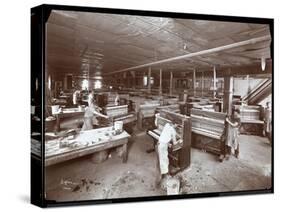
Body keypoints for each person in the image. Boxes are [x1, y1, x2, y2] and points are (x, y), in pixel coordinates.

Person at [155, 115, 177, 187]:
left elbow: (166, 135)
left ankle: (163, 175)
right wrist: (181, 141)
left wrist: (168, 143)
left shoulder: (167, 125)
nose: (177, 126)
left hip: (158, 144)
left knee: (161, 161)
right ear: (175, 124)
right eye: (176, 125)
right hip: (162, 146)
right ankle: (160, 181)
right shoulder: (173, 131)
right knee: (163, 162)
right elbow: (174, 143)